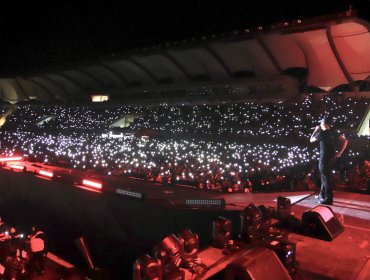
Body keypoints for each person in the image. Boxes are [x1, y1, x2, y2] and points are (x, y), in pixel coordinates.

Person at [310, 116, 349, 205]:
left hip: (324, 159)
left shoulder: (322, 133)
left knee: (326, 178)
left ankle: (328, 198)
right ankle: (321, 195)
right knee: (325, 177)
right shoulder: (334, 132)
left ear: (323, 124)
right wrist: (340, 153)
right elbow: (345, 141)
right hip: (332, 159)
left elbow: (311, 140)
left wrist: (315, 130)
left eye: (320, 123)